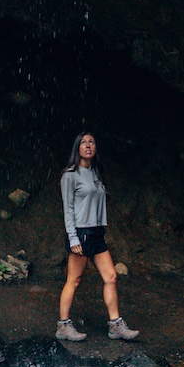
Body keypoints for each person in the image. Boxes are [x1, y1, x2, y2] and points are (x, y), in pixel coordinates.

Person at [56, 131, 138, 341]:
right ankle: (63, 326)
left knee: (111, 276)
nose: (88, 145)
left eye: (92, 142)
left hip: (96, 232)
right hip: (81, 233)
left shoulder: (96, 173)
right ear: (77, 148)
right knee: (74, 280)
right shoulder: (70, 175)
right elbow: (68, 209)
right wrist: (73, 238)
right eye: (83, 142)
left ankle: (115, 325)